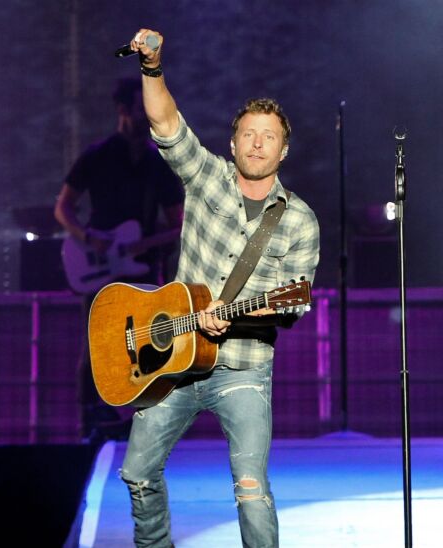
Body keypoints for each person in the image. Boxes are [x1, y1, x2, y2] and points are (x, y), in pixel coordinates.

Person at [116, 29, 320, 548]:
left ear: (284, 149)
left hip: (245, 369)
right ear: (233, 144)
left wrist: (237, 316)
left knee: (251, 490)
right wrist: (152, 66)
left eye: (268, 135)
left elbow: (291, 306)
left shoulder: (299, 221)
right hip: (176, 362)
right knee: (137, 473)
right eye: (248, 133)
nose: (257, 142)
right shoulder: (207, 177)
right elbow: (165, 123)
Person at [54, 77, 184, 440]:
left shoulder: (158, 165)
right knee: (96, 344)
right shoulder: (97, 156)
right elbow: (63, 208)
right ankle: (89, 424)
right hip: (97, 267)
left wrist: (149, 243)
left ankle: (140, 423)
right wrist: (87, 237)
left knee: (148, 346)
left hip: (139, 267)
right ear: (124, 110)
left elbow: (178, 224)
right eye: (143, 107)